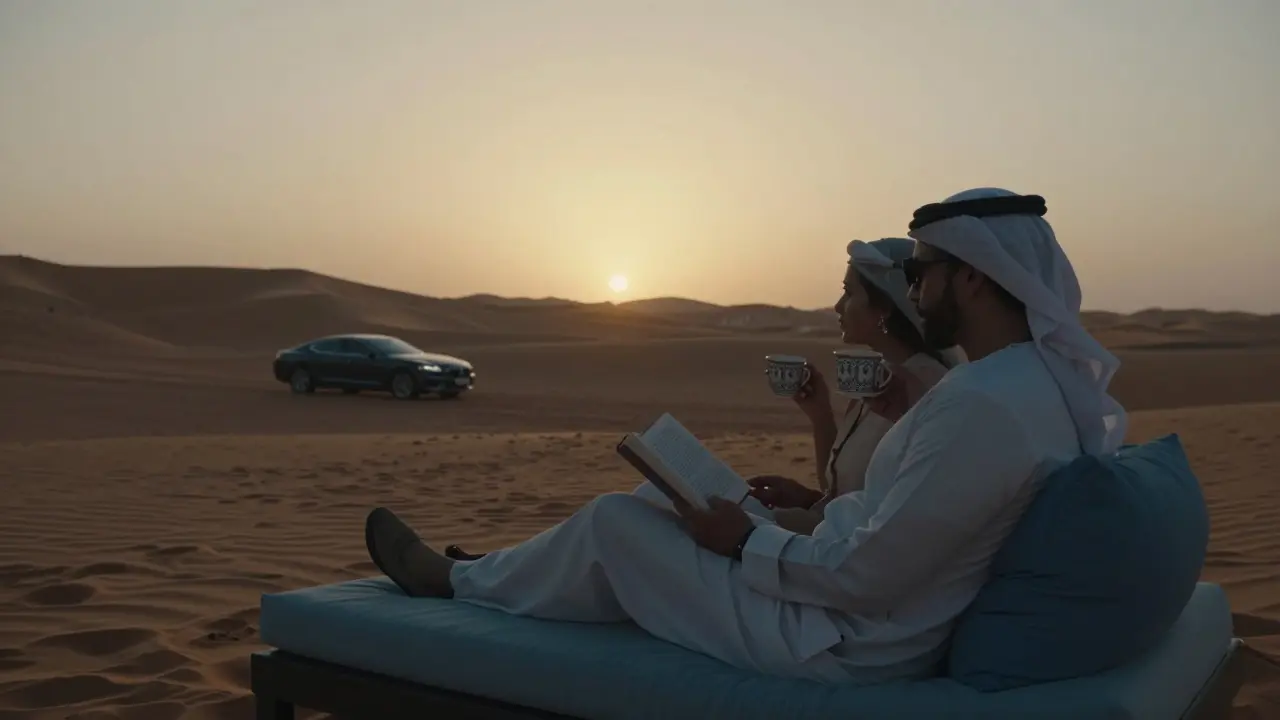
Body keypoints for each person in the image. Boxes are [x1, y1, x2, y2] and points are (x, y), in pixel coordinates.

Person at [364, 187, 1127, 684]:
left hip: (846, 641)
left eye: (924, 270)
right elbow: (891, 527)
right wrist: (788, 520)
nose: (916, 286)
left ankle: (455, 584)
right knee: (656, 505)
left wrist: (744, 543)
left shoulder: (984, 405)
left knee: (615, 524)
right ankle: (497, 575)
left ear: (973, 279)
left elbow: (869, 579)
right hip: (856, 604)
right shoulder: (1023, 386)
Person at [747, 237, 964, 536]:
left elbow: (886, 526)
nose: (838, 307)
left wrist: (754, 530)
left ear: (883, 308)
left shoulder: (927, 390)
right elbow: (845, 495)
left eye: (849, 294)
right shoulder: (877, 380)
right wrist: (820, 416)